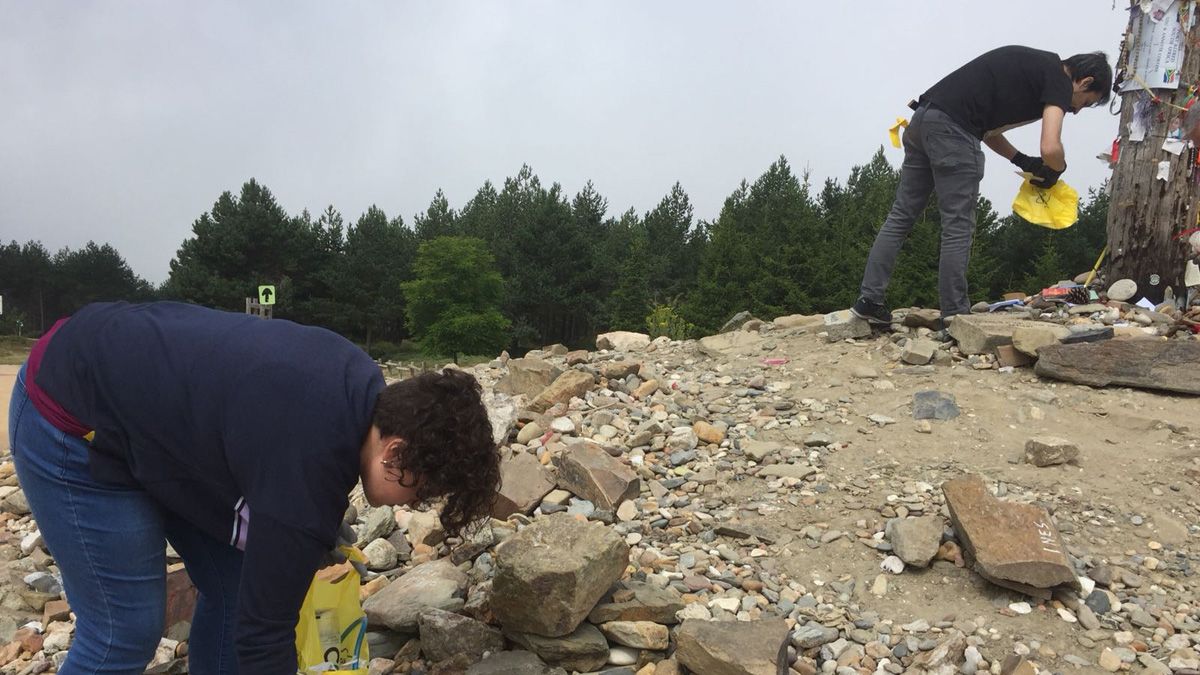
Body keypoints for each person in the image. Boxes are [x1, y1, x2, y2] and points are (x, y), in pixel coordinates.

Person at [6, 301, 501, 674]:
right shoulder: (308, 462)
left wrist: (309, 542)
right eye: (422, 490)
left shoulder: (360, 386)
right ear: (394, 452)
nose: (415, 503)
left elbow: (282, 477)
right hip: (68, 409)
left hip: (154, 423)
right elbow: (263, 639)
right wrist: (298, 541)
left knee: (241, 586)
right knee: (125, 629)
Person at [851, 47, 1113, 330]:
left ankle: (869, 302)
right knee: (957, 224)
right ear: (1084, 82)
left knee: (901, 215)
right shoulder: (1059, 81)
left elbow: (984, 127)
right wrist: (1056, 168)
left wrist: (1021, 160)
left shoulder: (1033, 65)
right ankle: (954, 313)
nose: (1074, 110)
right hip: (952, 132)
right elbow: (1051, 147)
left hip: (923, 121)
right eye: (1084, 103)